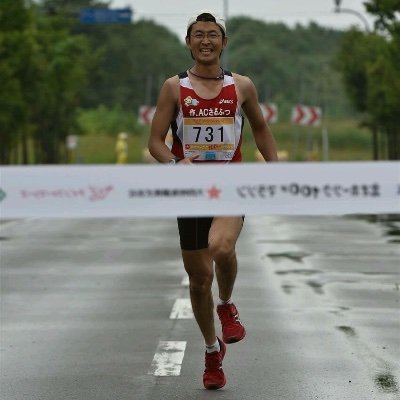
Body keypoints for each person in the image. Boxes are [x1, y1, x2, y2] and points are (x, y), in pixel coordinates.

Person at [148, 10, 278, 390]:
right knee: (198, 280)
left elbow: (261, 129)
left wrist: (278, 171)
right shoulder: (174, 87)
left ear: (224, 43)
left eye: (213, 35)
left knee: (221, 248)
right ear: (188, 43)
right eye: (198, 35)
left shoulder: (242, 86)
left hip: (230, 182)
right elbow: (155, 141)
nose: (206, 41)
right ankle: (210, 351)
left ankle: (227, 305)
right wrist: (176, 160)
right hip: (190, 189)